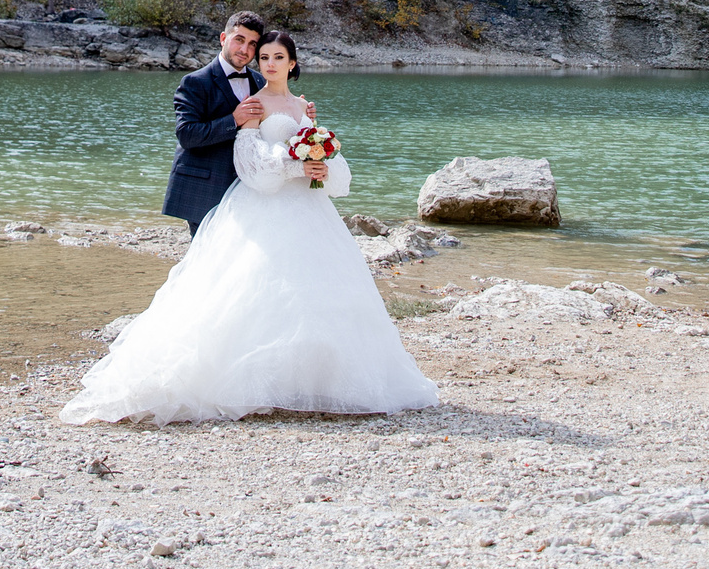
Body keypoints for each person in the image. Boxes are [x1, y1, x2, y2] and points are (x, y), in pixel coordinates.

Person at [61, 30, 437, 424]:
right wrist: (296, 166)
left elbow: (320, 146)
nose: (269, 64)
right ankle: (245, 381)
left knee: (314, 288)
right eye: (265, 58)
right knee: (251, 288)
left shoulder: (304, 108)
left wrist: (320, 166)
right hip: (263, 202)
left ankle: (311, 380)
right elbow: (249, 158)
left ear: (293, 63)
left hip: (308, 208)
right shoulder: (252, 101)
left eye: (277, 58)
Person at [160, 11, 271, 237]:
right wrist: (234, 120)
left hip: (246, 188)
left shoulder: (259, 81)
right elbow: (187, 135)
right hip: (203, 189)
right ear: (223, 38)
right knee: (206, 263)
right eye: (239, 40)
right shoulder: (194, 82)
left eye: (252, 44)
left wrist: (301, 112)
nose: (244, 50)